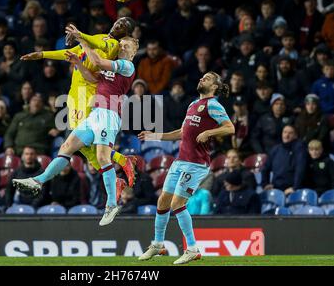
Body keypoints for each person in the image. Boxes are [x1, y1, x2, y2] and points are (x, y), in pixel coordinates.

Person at [14, 35, 139, 226]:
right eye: (121, 44)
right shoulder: (110, 65)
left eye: (127, 45)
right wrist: (78, 63)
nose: (122, 46)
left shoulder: (127, 66)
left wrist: (84, 42)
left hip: (110, 113)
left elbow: (96, 60)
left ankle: (112, 204)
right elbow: (92, 77)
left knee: (102, 157)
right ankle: (38, 181)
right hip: (96, 113)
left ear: (134, 51)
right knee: (66, 146)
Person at [19, 17, 138, 184]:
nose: (118, 24)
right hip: (75, 93)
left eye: (124, 25)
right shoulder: (98, 37)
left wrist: (80, 35)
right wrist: (42, 54)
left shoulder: (112, 45)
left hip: (89, 95)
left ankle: (120, 164)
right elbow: (71, 52)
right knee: (82, 144)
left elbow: (96, 47)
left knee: (79, 142)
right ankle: (119, 171)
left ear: (125, 33)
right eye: (119, 21)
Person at [137, 71, 234, 265]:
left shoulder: (213, 105)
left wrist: (209, 132)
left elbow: (230, 128)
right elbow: (182, 133)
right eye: (201, 77)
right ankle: (157, 244)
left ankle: (192, 249)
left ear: (214, 86)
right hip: (180, 160)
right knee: (163, 202)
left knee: (176, 204)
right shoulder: (192, 105)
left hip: (196, 163)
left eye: (206, 78)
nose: (201, 79)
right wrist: (154, 136)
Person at [261, 125, 307, 195]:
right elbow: (265, 168)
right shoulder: (276, 149)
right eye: (285, 132)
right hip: (276, 188)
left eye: (290, 133)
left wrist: (295, 187)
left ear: (295, 136)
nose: (286, 135)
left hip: (291, 190)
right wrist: (265, 184)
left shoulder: (299, 149)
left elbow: (300, 169)